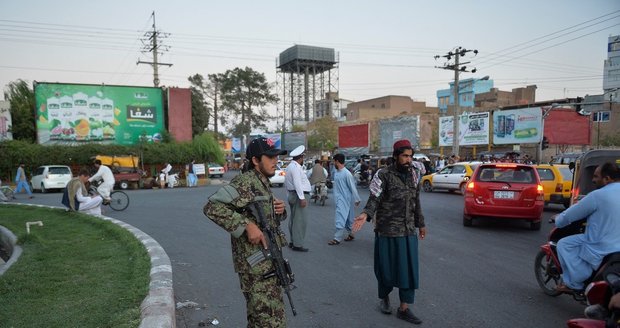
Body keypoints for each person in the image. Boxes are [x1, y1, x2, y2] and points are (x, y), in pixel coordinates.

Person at [203, 137, 288, 327]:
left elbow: (264, 218)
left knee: (263, 319)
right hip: (255, 267)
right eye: (270, 156)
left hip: (269, 262)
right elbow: (212, 207)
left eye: (277, 156)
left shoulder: (262, 182)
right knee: (268, 321)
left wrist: (280, 211)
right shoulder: (245, 182)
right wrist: (246, 226)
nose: (276, 160)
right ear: (256, 160)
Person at [352, 139, 426, 325]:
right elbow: (374, 198)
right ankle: (384, 297)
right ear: (395, 156)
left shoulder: (415, 174)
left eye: (410, 156)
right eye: (404, 156)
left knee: (408, 270)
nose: (408, 160)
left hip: (408, 229)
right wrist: (366, 214)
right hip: (387, 229)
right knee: (386, 268)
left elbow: (416, 200)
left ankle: (404, 308)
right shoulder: (382, 175)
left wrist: (421, 223)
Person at [553, 162, 620, 292]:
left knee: (564, 244)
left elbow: (569, 216)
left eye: (596, 176)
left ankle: (575, 283)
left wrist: (558, 219)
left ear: (607, 179)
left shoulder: (597, 195)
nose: (593, 180)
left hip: (602, 245)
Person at [328, 154, 361, 245]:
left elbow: (352, 187)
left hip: (344, 199)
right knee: (349, 219)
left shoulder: (347, 174)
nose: (333, 163)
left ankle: (337, 238)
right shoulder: (337, 172)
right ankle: (351, 234)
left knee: (340, 217)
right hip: (341, 199)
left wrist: (357, 199)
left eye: (334, 161)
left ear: (337, 161)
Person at [285, 145, 312, 252]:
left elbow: (286, 183)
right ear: (300, 158)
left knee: (294, 219)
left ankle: (293, 241)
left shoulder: (289, 166)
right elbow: (297, 183)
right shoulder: (296, 167)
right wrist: (302, 198)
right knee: (300, 221)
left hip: (293, 194)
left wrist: (288, 195)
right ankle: (297, 244)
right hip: (299, 195)